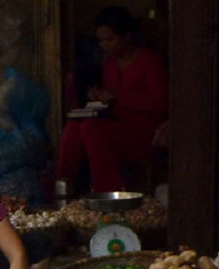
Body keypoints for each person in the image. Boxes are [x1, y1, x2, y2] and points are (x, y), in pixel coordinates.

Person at [56, 6, 168, 193]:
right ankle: (62, 188)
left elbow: (161, 103)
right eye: (101, 41)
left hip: (145, 133)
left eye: (110, 39)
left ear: (127, 36)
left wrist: (118, 97)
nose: (105, 45)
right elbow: (111, 98)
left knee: (91, 128)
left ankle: (109, 194)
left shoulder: (149, 61)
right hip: (115, 125)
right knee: (74, 128)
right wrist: (99, 96)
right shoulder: (110, 63)